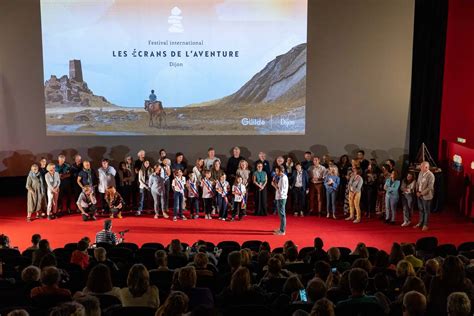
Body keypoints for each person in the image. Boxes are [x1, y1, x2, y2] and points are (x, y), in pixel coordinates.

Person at [415, 161, 435, 231]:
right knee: (421, 210)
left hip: (426, 196)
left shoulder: (431, 175)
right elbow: (418, 182)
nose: (420, 168)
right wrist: (417, 191)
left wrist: (421, 193)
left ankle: (425, 225)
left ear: (426, 167)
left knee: (426, 211)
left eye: (421, 167)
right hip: (419, 194)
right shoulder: (421, 172)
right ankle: (420, 222)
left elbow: (430, 187)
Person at [273, 166, 288, 235]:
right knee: (281, 214)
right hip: (280, 197)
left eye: (277, 171)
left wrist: (274, 185)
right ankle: (281, 228)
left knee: (282, 214)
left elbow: (280, 190)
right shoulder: (282, 177)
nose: (276, 172)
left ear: (281, 171)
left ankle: (282, 231)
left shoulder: (283, 179)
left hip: (281, 198)